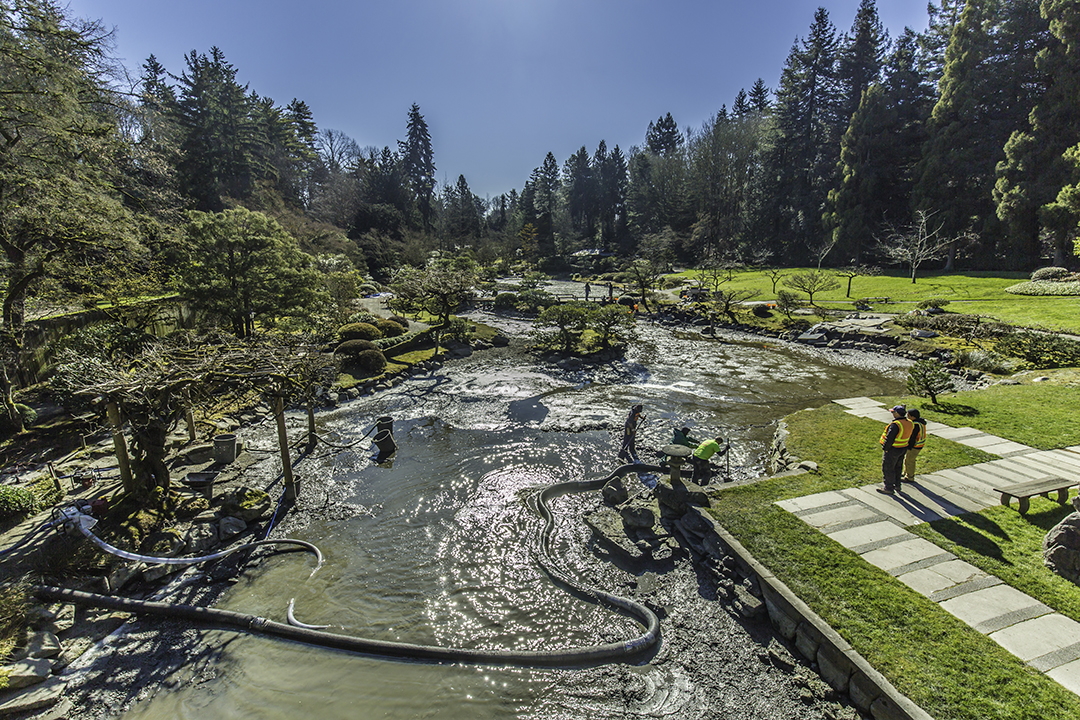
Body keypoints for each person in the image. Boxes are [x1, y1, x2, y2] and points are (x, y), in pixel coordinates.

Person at [878, 404, 914, 495]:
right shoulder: (909, 422)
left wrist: (885, 448)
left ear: (897, 413)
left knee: (888, 468)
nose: (892, 414)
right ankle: (897, 485)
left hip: (893, 449)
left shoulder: (896, 425)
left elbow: (890, 438)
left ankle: (888, 488)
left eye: (893, 412)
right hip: (903, 448)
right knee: (898, 467)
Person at [903, 408, 927, 485]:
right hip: (919, 444)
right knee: (907, 459)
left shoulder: (915, 425)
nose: (907, 417)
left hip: (915, 446)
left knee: (910, 461)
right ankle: (905, 472)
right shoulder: (920, 422)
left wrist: (909, 447)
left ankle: (910, 477)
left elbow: (913, 437)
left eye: (908, 416)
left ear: (913, 417)